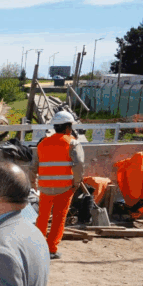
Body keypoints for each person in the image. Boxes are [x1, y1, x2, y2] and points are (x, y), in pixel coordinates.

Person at [31, 110, 84, 260]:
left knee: (42, 217)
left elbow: (33, 166)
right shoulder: (72, 142)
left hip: (45, 188)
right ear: (68, 128)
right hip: (65, 188)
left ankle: (37, 248)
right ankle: (51, 249)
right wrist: (77, 182)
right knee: (59, 218)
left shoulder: (42, 143)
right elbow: (79, 165)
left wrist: (32, 183)